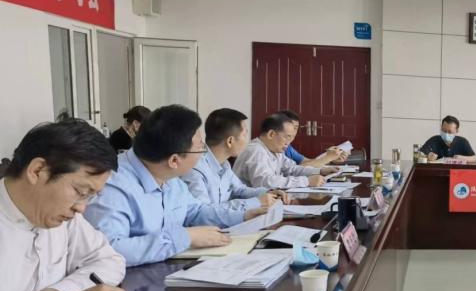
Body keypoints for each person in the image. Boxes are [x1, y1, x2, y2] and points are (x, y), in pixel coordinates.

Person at [0, 119, 128, 291]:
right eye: (80, 191)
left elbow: (110, 261)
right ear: (38, 171)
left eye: (90, 196)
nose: (81, 208)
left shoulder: (62, 217)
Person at [85, 105, 265, 267]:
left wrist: (243, 215)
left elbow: (196, 212)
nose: (204, 153)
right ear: (174, 160)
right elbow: (111, 249)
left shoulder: (169, 178)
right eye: (200, 148)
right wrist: (185, 237)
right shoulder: (112, 185)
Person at [182, 108, 288, 210]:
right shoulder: (195, 169)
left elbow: (240, 190)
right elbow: (204, 212)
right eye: (245, 135)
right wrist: (256, 202)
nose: (247, 140)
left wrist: (268, 192)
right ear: (230, 141)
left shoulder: (224, 165)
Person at [233, 113, 339, 189]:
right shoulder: (255, 151)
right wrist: (306, 181)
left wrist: (320, 171)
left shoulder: (275, 150)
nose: (288, 143)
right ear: (271, 134)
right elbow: (264, 182)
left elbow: (291, 169)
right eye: (287, 137)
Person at [277, 110, 348, 167]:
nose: (293, 132)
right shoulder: (274, 149)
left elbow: (306, 162)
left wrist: (331, 159)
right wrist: (328, 158)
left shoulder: (288, 148)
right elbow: (296, 170)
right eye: (290, 127)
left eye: (296, 128)